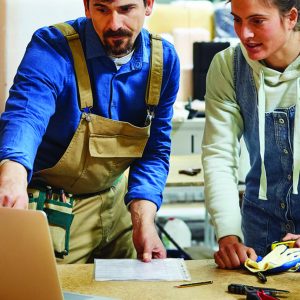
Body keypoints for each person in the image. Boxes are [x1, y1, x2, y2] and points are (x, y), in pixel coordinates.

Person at [0, 0, 180, 264]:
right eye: (102, 9)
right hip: (57, 210)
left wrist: (144, 218)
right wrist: (13, 173)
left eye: (126, 9)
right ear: (86, 7)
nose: (114, 24)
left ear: (148, 4)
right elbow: (27, 114)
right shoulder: (52, 46)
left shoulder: (163, 61)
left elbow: (154, 151)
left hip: (120, 209)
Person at [202, 0, 300, 269]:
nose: (244, 33)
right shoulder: (228, 67)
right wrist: (229, 235)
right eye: (237, 19)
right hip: (258, 233)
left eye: (257, 21)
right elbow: (219, 156)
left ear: (290, 17)